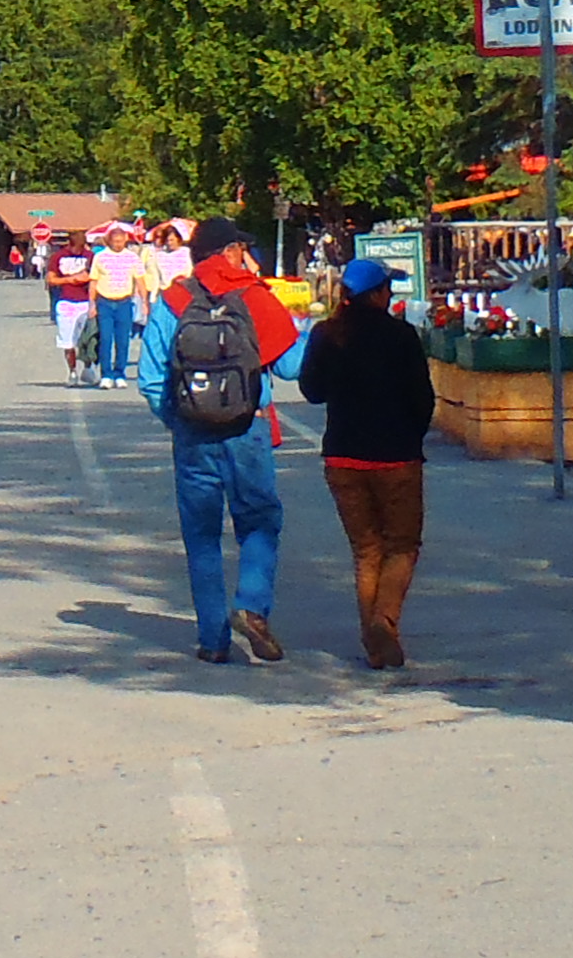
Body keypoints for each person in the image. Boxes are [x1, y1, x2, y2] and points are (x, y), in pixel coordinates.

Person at [139, 216, 307, 664]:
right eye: (241, 249)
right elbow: (292, 366)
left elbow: (151, 380)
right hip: (248, 429)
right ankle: (251, 605)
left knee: (201, 535)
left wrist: (182, 420)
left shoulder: (172, 301)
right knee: (259, 521)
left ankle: (213, 639)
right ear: (229, 252)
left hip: (193, 434)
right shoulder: (253, 295)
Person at [294, 256, 436, 667]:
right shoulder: (401, 335)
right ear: (376, 294)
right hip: (396, 456)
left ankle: (375, 645)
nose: (389, 294)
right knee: (402, 545)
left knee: (366, 550)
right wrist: (412, 436)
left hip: (342, 456)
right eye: (386, 288)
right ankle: (384, 621)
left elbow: (311, 391)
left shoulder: (326, 334)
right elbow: (422, 398)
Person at [88, 226, 145, 388]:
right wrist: (92, 304)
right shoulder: (100, 257)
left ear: (125, 240)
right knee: (105, 339)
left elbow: (140, 281)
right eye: (115, 241)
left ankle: (120, 373)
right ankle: (106, 374)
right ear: (110, 241)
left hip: (124, 302)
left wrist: (145, 303)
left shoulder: (132, 257)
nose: (118, 244)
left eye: (121, 241)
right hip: (104, 302)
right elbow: (93, 281)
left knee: (123, 341)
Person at [44, 228, 99, 382]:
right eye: (75, 247)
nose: (78, 250)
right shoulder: (58, 256)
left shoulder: (91, 257)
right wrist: (70, 279)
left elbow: (96, 277)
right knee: (67, 340)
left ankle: (88, 367)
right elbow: (51, 279)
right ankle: (72, 371)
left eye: (81, 247)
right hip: (66, 301)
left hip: (86, 301)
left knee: (88, 337)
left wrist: (87, 280)